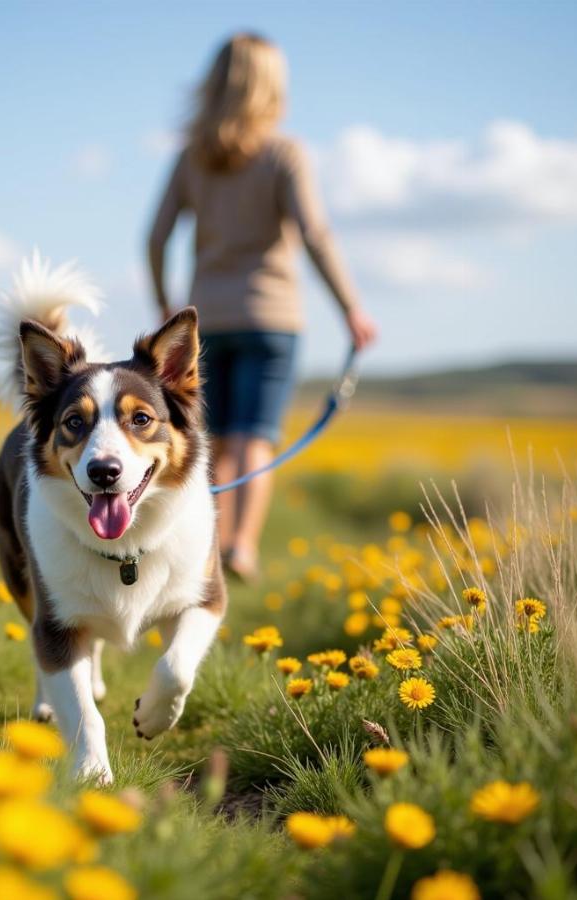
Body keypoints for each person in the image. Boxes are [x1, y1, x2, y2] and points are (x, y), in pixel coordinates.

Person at [147, 33, 377, 581]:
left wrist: (166, 309)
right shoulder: (284, 154)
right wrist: (352, 308)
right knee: (256, 434)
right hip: (271, 318)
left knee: (214, 437)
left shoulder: (190, 159)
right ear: (274, 87)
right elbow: (316, 234)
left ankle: (210, 547)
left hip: (207, 321)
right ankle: (243, 547)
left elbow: (155, 239)